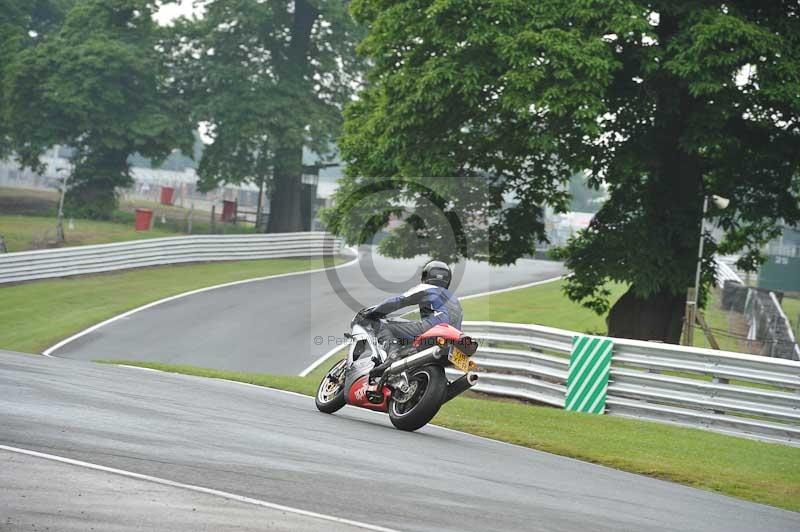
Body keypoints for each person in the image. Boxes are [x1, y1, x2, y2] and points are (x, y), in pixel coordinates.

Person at [361, 260, 463, 381]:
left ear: (426, 275)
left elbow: (399, 301)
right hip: (452, 340)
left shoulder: (427, 288)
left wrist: (374, 312)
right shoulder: (454, 299)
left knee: (384, 325)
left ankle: (392, 357)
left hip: (433, 329)